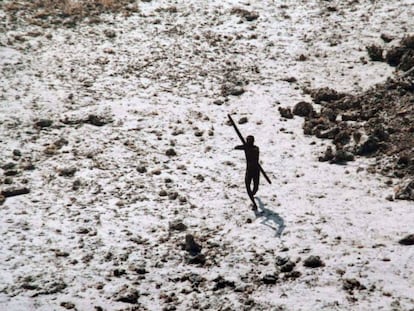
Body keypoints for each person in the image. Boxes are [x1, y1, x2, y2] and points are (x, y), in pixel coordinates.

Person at [234, 135, 260, 210]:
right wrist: (244, 146)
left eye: (249, 140)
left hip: (255, 170)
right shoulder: (246, 148)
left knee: (255, 188)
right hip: (249, 170)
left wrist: (245, 146)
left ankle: (252, 195)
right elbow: (236, 147)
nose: (247, 142)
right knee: (248, 186)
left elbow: (253, 152)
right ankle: (254, 203)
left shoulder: (255, 148)